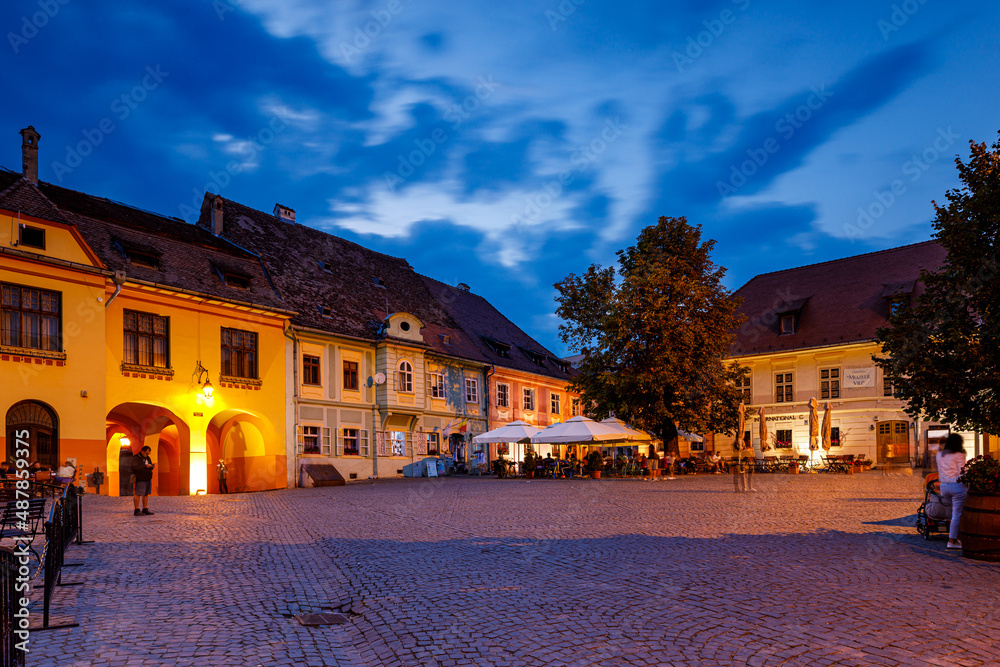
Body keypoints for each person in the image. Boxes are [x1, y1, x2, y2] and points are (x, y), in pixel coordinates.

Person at [936, 433, 967, 550]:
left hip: (944, 486)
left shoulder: (939, 455)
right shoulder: (959, 455)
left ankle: (954, 537)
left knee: (950, 513)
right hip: (956, 486)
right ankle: (952, 540)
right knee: (957, 514)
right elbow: (962, 473)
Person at [133, 446, 155, 516]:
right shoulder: (136, 458)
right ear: (142, 451)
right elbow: (134, 467)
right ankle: (136, 510)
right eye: (147, 453)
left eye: (149, 453)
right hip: (140, 478)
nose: (147, 455)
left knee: (146, 494)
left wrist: (151, 466)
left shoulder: (147, 458)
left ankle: (145, 509)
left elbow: (149, 465)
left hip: (148, 478)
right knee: (138, 494)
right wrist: (145, 466)